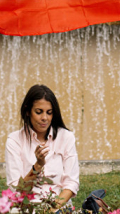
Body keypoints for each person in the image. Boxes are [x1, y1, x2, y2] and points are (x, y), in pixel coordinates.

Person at [5, 84, 79, 212]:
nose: (44, 118)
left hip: (58, 208)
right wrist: (38, 166)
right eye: (38, 112)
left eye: (49, 113)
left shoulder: (66, 137)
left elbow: (71, 183)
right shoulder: (14, 141)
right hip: (28, 208)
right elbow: (16, 190)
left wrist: (51, 210)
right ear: (28, 111)